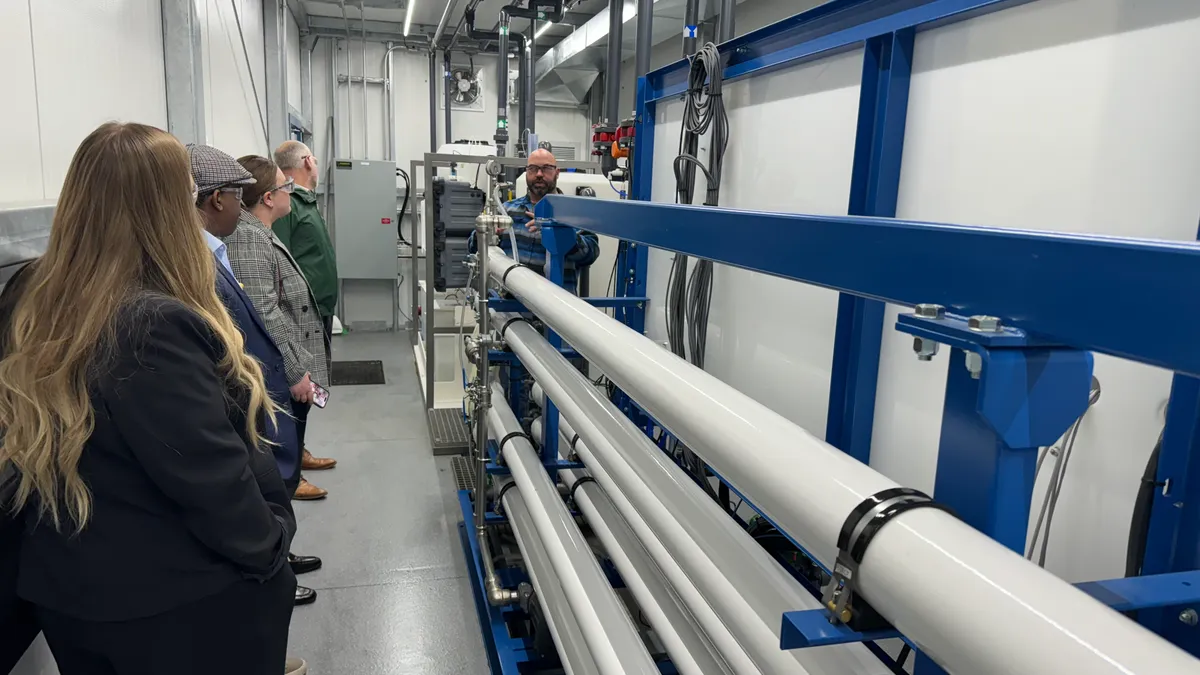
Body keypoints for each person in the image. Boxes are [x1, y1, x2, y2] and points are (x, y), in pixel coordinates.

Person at [0, 122, 296, 674]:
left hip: (73, 593)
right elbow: (208, 476)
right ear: (164, 207)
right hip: (173, 610)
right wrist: (272, 547)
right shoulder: (151, 323)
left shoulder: (32, 296)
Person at [190, 143, 323, 612]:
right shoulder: (243, 239)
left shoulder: (239, 237)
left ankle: (281, 558)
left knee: (281, 473)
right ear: (216, 199)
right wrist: (296, 370)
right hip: (269, 380)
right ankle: (274, 567)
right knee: (275, 472)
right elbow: (261, 314)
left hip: (276, 375)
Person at [224, 155, 331, 501]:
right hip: (281, 366)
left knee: (292, 432)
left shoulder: (260, 233)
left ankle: (295, 463)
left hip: (289, 357)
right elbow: (264, 312)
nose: (290, 192)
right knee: (278, 447)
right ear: (269, 198)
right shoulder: (250, 239)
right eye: (285, 187)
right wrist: (296, 370)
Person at [272, 140, 338, 472]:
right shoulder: (288, 204)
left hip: (317, 312)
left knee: (309, 390)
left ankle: (298, 452)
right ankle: (290, 471)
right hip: (298, 315)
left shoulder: (304, 201)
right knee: (296, 390)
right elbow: (277, 262)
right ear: (307, 161)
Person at [469, 147, 600, 292]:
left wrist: (560, 234)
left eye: (546, 168)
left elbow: (591, 254)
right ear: (526, 172)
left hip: (557, 307)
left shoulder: (574, 214)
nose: (539, 174)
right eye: (533, 168)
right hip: (510, 306)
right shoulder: (506, 211)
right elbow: (474, 249)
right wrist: (483, 234)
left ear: (557, 173)